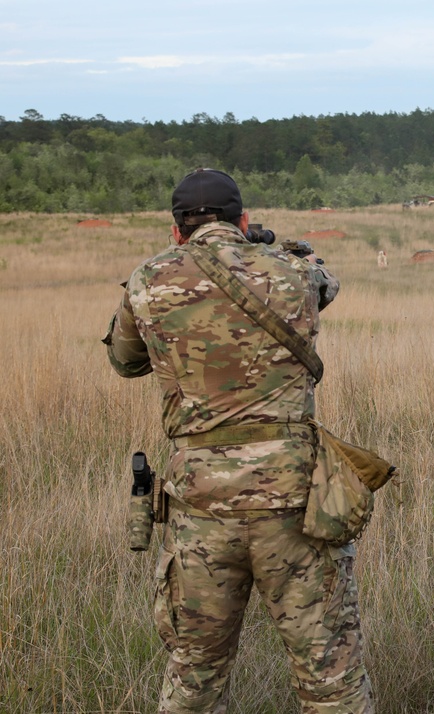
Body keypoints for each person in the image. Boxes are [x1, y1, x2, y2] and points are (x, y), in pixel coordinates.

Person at [103, 168, 372, 713]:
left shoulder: (147, 280)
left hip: (200, 508)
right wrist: (287, 251)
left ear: (177, 229)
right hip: (297, 506)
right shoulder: (294, 273)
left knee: (194, 677)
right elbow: (328, 285)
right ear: (243, 220)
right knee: (330, 678)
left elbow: (124, 361)